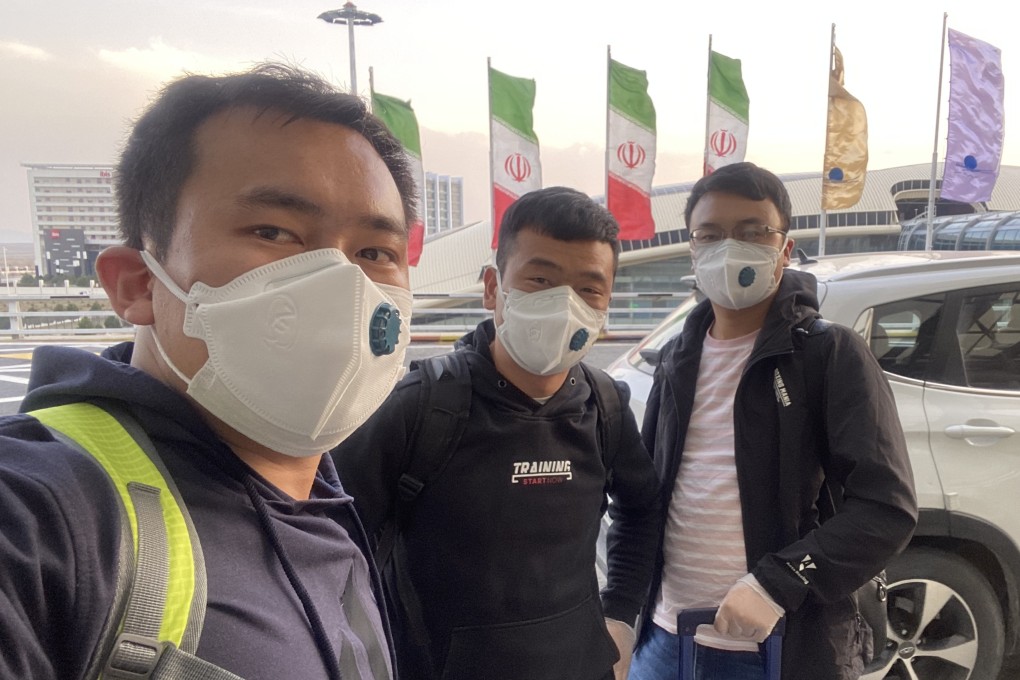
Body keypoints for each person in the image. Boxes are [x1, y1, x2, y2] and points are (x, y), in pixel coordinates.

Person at [0, 64, 418, 680]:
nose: (345, 287)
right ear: (139, 284)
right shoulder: (46, 515)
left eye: (374, 253)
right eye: (274, 232)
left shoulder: (326, 497)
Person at [333, 186, 661, 680]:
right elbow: (331, 540)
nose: (564, 304)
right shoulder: (423, 405)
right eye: (541, 279)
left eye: (589, 289)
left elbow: (643, 511)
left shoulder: (606, 407)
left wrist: (620, 615)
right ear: (493, 287)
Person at [628, 162, 917, 680]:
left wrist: (776, 582)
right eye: (709, 235)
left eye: (752, 232)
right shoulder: (675, 360)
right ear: (693, 250)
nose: (728, 247)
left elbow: (885, 508)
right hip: (666, 642)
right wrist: (623, 616)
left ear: (784, 249)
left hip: (780, 650)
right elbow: (646, 501)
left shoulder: (827, 354)